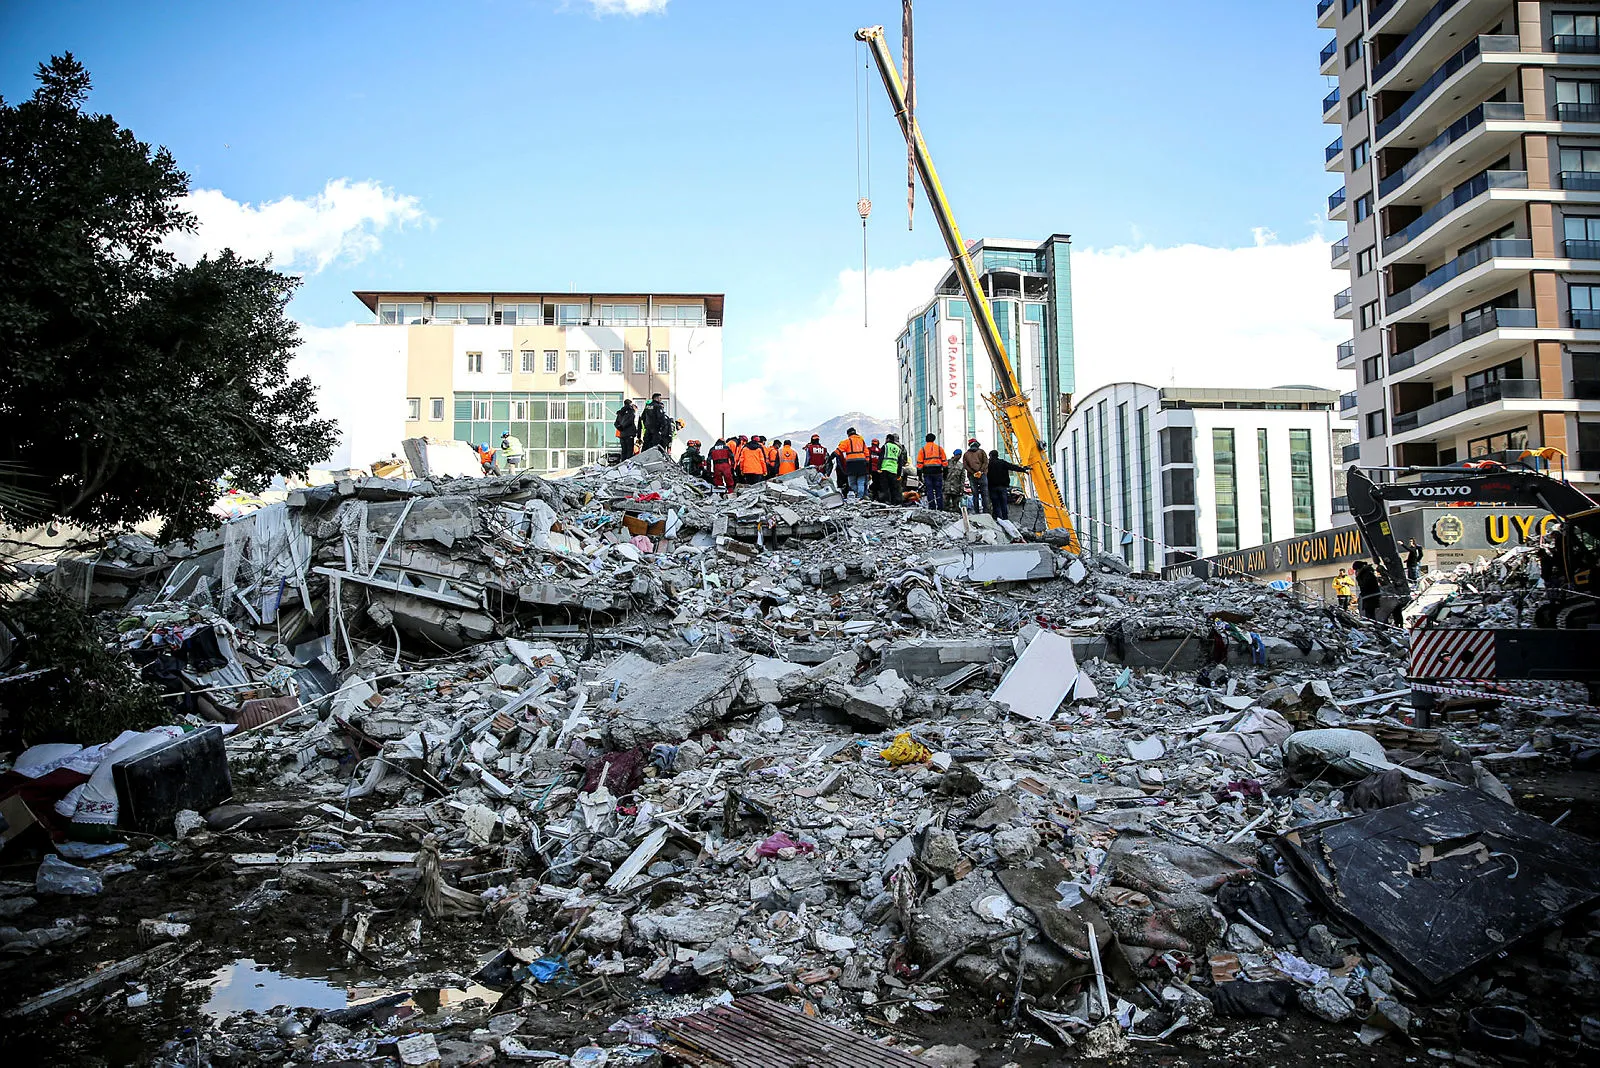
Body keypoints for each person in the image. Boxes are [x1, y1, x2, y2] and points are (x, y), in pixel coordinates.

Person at [986, 450, 1024, 521]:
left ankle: (998, 519)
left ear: (990, 455)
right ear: (997, 455)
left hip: (992, 487)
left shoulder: (988, 464)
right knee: (1003, 503)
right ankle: (1005, 519)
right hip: (1002, 486)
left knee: (995, 504)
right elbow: (1013, 467)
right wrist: (1023, 470)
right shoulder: (1002, 462)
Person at [917, 434, 948, 511]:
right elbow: (944, 462)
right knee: (938, 490)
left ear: (926, 440)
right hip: (938, 472)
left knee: (929, 490)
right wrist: (945, 473)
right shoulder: (939, 449)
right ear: (934, 439)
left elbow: (919, 464)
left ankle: (932, 507)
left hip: (927, 473)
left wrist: (919, 475)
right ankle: (940, 507)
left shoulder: (922, 450)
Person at [838, 426, 870, 500]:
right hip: (862, 464)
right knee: (861, 482)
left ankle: (859, 495)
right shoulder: (862, 441)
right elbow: (866, 452)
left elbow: (839, 451)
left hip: (851, 465)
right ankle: (861, 497)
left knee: (852, 483)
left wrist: (831, 457)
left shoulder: (847, 441)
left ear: (848, 434)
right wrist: (867, 462)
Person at [879, 433, 906, 505]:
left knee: (885, 487)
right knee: (893, 488)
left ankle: (887, 502)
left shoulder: (885, 446)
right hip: (894, 471)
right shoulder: (898, 449)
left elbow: (881, 458)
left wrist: (879, 468)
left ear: (887, 439)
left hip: (884, 469)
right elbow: (900, 463)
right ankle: (894, 502)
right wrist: (899, 474)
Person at [962, 441, 989, 513]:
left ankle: (976, 511)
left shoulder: (966, 454)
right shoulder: (981, 452)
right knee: (985, 494)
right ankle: (986, 511)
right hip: (982, 475)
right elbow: (986, 462)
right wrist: (980, 471)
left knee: (975, 495)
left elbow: (965, 465)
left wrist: (973, 472)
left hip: (972, 476)